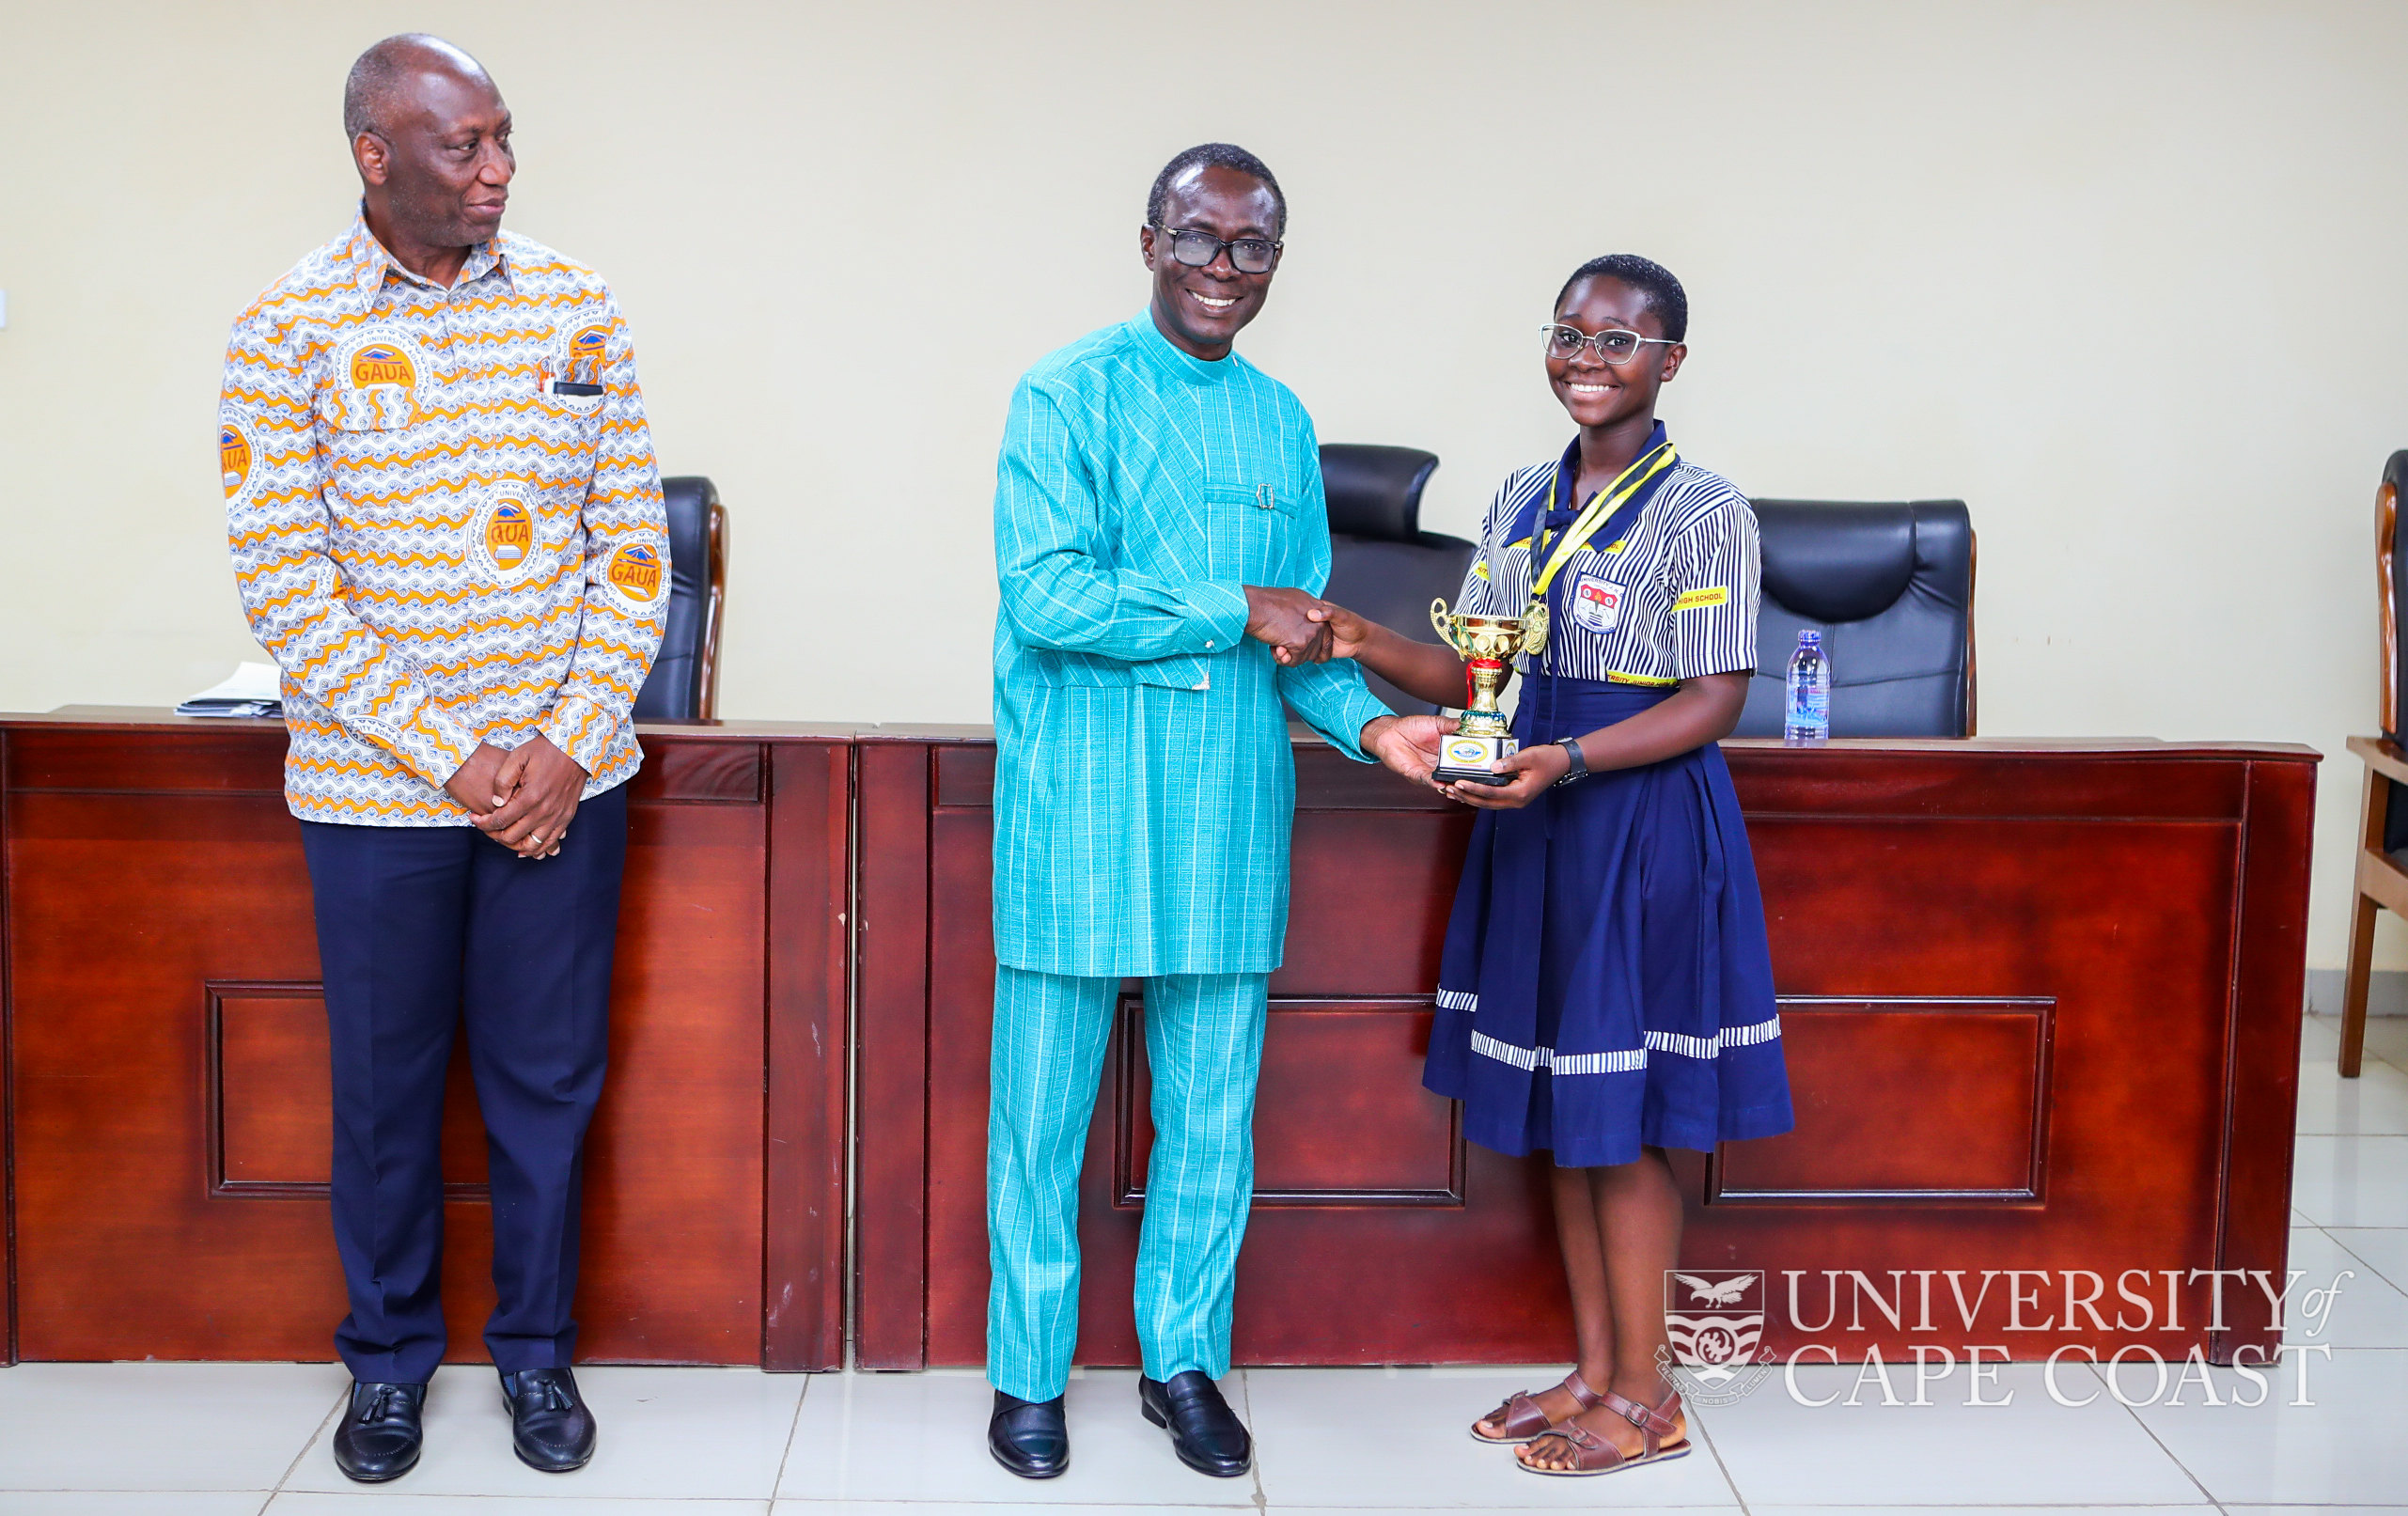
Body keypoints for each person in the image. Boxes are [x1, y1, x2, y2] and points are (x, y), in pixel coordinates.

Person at [217, 34, 667, 1483]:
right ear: (375, 155)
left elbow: (635, 556)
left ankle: (536, 1355)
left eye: (502, 138)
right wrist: (455, 762)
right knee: (386, 1091)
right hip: (371, 797)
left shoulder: (576, 306)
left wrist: (559, 744)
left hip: (563, 788)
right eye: (464, 145)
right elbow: (289, 591)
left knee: (549, 1086)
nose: (497, 169)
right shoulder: (284, 328)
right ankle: (391, 1360)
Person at [985, 143, 1449, 1481]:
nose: (1222, 271)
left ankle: (1180, 1359)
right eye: (1197, 240)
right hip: (1081, 807)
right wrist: (1226, 606)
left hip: (1225, 814)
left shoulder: (1279, 422)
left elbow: (1303, 639)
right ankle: (1028, 1375)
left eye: (1250, 248)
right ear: (1147, 242)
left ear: (1275, 265)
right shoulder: (1064, 393)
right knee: (1041, 1117)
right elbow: (1049, 598)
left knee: (1209, 1115)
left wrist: (1376, 724)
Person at [1313, 255, 1792, 1477]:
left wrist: (1567, 757)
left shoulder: (1703, 510)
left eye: (1618, 340)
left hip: (1634, 821)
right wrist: (1360, 636)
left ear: (1668, 362)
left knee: (1623, 1124)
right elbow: (1481, 672)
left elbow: (1714, 697)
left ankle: (1649, 1396)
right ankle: (1592, 1372)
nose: (1587, 358)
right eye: (1568, 335)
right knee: (1570, 1111)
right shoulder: (1522, 497)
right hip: (1537, 816)